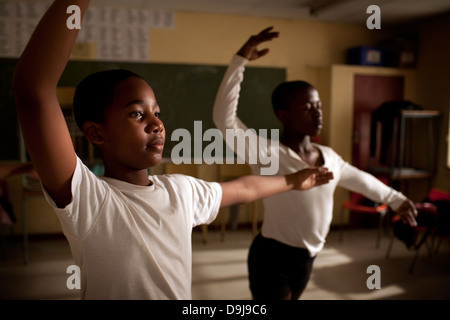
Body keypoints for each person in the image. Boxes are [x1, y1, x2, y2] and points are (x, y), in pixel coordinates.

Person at [12, 1, 334, 300]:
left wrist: (294, 181)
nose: (157, 124)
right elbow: (34, 91)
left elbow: (245, 187)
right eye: (137, 114)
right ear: (96, 132)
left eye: (157, 113)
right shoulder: (91, 200)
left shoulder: (180, 190)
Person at [212, 26, 418, 300]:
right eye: (307, 108)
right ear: (283, 116)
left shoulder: (329, 156)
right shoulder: (266, 153)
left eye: (318, 105)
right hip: (272, 256)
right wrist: (240, 61)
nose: (317, 113)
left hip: (307, 259)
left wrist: (396, 199)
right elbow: (223, 119)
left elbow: (362, 180)